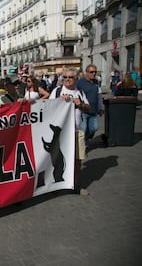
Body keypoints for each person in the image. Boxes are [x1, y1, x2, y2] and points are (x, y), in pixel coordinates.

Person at [49, 67, 91, 196]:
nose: (67, 79)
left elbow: (88, 108)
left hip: (77, 131)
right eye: (64, 77)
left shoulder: (81, 92)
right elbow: (47, 108)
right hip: (61, 134)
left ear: (76, 79)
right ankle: (57, 185)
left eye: (70, 77)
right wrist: (59, 101)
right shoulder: (57, 91)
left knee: (78, 159)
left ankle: (75, 184)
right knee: (58, 160)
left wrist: (81, 104)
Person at [77, 64, 104, 143]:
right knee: (83, 129)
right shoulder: (80, 83)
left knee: (94, 128)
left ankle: (86, 139)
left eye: (95, 72)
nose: (94, 74)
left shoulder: (96, 82)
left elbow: (99, 95)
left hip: (94, 110)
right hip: (83, 111)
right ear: (86, 72)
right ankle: (82, 145)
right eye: (91, 72)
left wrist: (101, 107)